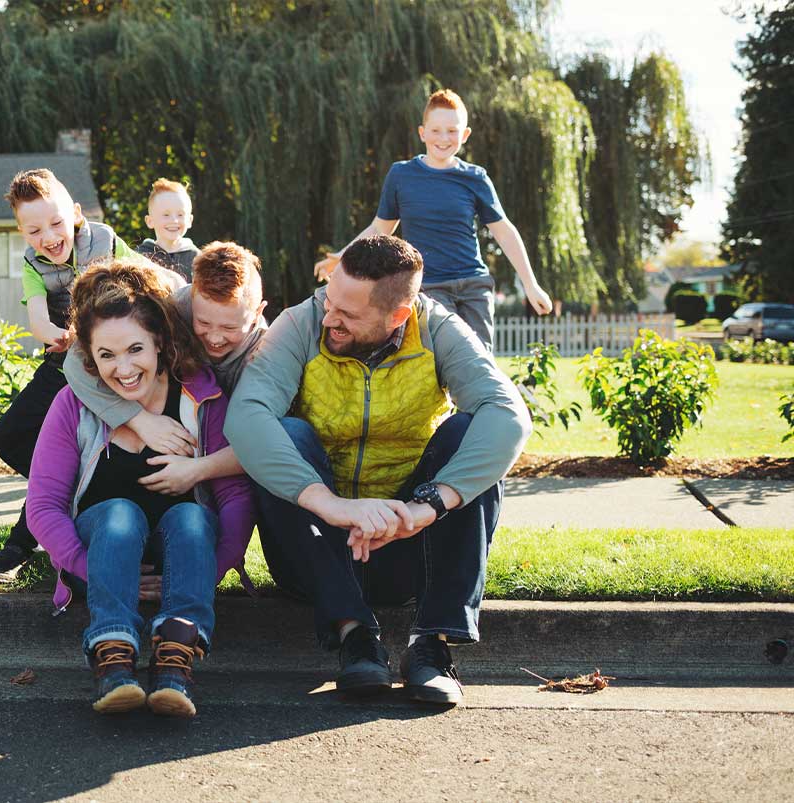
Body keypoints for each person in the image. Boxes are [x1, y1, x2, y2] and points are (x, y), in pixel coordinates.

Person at [226, 234, 531, 704]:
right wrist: (332, 507)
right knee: (286, 433)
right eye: (330, 301)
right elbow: (246, 417)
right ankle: (355, 637)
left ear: (398, 316)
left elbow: (507, 414)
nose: (329, 318)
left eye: (348, 314)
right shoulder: (300, 324)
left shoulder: (436, 328)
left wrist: (427, 506)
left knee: (469, 432)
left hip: (408, 542)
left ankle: (431, 647)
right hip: (313, 548)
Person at [26, 259, 255, 717]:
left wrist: (207, 572)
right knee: (119, 513)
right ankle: (113, 658)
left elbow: (235, 499)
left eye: (135, 350)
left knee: (191, 516)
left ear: (160, 344)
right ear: (89, 357)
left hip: (183, 553)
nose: (123, 368)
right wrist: (97, 571)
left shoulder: (202, 400)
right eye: (106, 355)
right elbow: (43, 507)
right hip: (102, 552)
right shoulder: (74, 404)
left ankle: (176, 663)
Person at [0, 168, 137, 588]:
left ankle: (19, 544)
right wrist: (57, 334)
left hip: (109, 362)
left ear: (75, 214)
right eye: (34, 230)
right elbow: (36, 319)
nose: (48, 237)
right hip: (64, 360)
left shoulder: (105, 241)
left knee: (67, 454)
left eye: (55, 223)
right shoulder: (33, 264)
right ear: (21, 232)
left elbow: (146, 286)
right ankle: (65, 491)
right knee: (8, 436)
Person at [313, 89, 552, 350]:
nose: (444, 138)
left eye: (452, 131)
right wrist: (343, 256)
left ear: (465, 135)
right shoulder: (401, 175)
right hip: (431, 286)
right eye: (436, 130)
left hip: (474, 286)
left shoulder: (476, 178)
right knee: (443, 356)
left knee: (479, 360)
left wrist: (531, 285)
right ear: (422, 133)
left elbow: (504, 232)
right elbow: (380, 229)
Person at [64, 241, 267, 495]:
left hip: (227, 441)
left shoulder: (265, 354)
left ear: (258, 313)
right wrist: (139, 420)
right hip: (175, 417)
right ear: (192, 295)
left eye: (229, 328)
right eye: (203, 322)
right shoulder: (174, 308)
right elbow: (75, 359)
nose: (215, 338)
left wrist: (198, 469)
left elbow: (264, 442)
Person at [135, 179, 200, 282]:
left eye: (180, 215)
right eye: (166, 215)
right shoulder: (139, 258)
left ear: (189, 220)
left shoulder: (198, 260)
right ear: (150, 221)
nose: (174, 220)